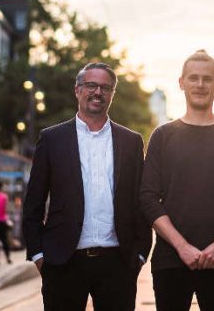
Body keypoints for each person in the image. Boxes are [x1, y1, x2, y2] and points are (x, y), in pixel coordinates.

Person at [23, 62, 152, 311]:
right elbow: (34, 202)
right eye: (91, 85)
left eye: (106, 88)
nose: (98, 92)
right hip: (63, 262)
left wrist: (140, 253)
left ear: (112, 94)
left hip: (118, 262)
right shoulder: (52, 139)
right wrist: (38, 255)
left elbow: (141, 201)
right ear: (77, 89)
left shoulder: (131, 141)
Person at [140, 50, 214, 311]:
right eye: (193, 78)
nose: (200, 85)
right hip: (171, 260)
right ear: (181, 83)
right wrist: (182, 247)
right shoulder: (162, 135)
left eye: (207, 79)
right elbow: (148, 198)